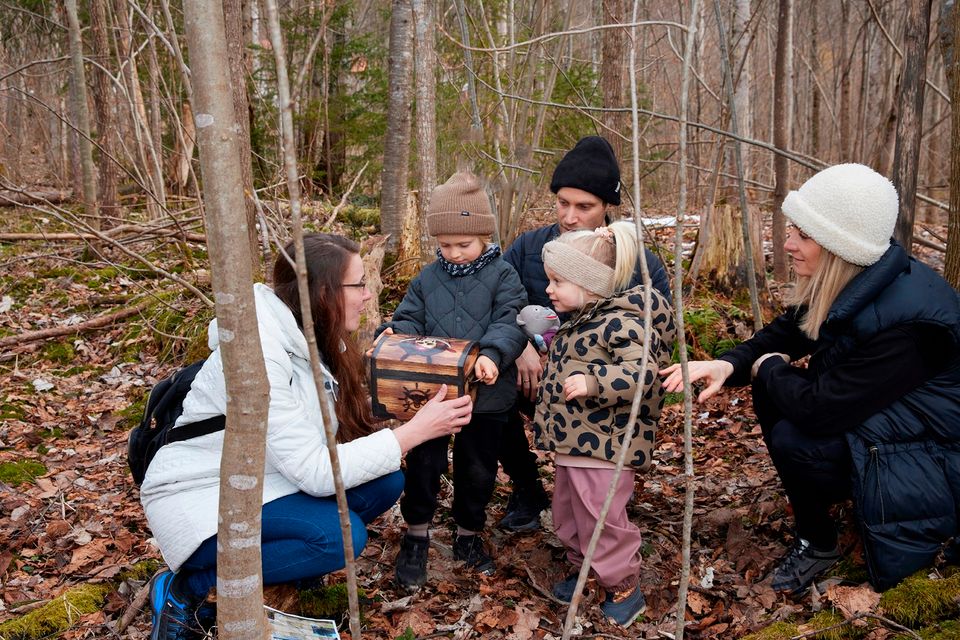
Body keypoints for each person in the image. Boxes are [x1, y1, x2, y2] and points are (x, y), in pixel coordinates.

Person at [139, 234, 474, 640]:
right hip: (197, 496)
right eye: (360, 285)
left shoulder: (306, 335)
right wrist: (415, 432)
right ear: (323, 291)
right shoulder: (261, 355)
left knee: (387, 482)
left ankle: (290, 567)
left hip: (265, 480)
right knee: (339, 539)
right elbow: (316, 472)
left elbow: (316, 443)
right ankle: (187, 588)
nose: (369, 296)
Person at [661, 163, 960, 595]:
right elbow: (786, 331)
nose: (787, 245)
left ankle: (819, 541)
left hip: (937, 454)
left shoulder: (915, 327)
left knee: (797, 440)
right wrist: (728, 366)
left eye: (802, 236)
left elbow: (821, 410)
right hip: (897, 425)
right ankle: (816, 514)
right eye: (791, 231)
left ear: (840, 245)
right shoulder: (859, 276)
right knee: (776, 389)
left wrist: (770, 368)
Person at [499, 135, 672, 531]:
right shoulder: (529, 247)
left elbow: (656, 337)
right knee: (489, 385)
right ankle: (527, 487)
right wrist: (521, 346)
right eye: (563, 203)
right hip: (534, 374)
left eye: (584, 206)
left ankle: (600, 502)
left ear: (607, 207)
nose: (570, 216)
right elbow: (500, 301)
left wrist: (587, 371)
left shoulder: (635, 261)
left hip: (600, 389)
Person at [379, 172, 528, 590]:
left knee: (477, 469)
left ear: (484, 236)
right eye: (445, 245)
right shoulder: (428, 278)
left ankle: (468, 534)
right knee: (424, 464)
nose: (455, 253)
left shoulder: (503, 276)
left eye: (464, 245)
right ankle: (416, 534)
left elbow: (511, 321)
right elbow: (409, 318)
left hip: (488, 395)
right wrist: (395, 333)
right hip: (433, 395)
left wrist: (492, 354)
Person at [533, 221, 676, 627]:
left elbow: (645, 374)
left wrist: (595, 382)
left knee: (601, 517)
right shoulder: (583, 317)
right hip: (572, 443)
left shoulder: (622, 322)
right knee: (568, 511)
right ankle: (584, 566)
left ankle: (623, 585)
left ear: (591, 284)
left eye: (558, 281)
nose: (549, 289)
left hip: (605, 444)